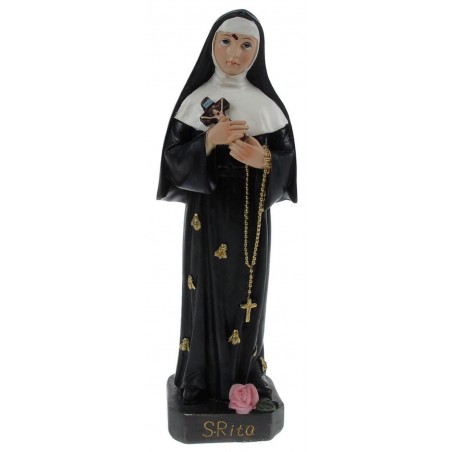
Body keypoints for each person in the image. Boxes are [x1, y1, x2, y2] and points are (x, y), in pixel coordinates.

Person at [157, 9, 297, 404]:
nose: (235, 54)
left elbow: (287, 164)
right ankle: (197, 375)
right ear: (212, 45)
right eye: (227, 41)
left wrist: (263, 160)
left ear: (258, 51)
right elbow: (172, 161)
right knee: (204, 290)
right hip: (207, 214)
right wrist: (208, 140)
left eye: (246, 44)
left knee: (249, 292)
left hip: (251, 216)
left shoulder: (266, 106)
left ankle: (249, 370)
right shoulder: (194, 102)